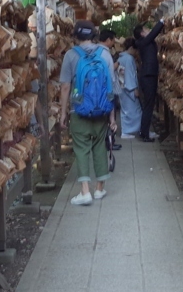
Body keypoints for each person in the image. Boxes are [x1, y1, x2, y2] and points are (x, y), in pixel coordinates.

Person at [59, 20, 117, 205]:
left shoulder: (70, 55)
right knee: (100, 146)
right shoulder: (105, 54)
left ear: (75, 36)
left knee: (81, 149)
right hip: (101, 110)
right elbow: (111, 87)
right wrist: (112, 117)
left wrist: (63, 113)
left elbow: (66, 87)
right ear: (93, 35)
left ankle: (85, 192)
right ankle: (100, 189)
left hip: (79, 109)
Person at [133, 16, 164, 142]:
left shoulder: (145, 42)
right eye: (146, 29)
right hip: (148, 75)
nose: (148, 31)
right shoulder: (142, 41)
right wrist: (161, 21)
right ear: (142, 33)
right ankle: (144, 133)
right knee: (148, 105)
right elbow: (153, 34)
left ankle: (144, 131)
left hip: (149, 75)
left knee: (149, 104)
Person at [97, 30, 121, 150]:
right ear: (107, 40)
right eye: (112, 40)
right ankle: (110, 142)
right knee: (110, 117)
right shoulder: (106, 54)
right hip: (107, 90)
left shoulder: (95, 51)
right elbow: (110, 76)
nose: (113, 43)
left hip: (96, 90)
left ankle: (102, 141)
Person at [116, 38, 141, 139]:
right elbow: (130, 75)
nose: (135, 52)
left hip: (123, 86)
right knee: (132, 110)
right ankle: (126, 131)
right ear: (131, 48)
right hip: (128, 87)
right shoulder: (128, 59)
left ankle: (128, 130)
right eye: (135, 50)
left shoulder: (121, 58)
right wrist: (134, 88)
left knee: (127, 110)